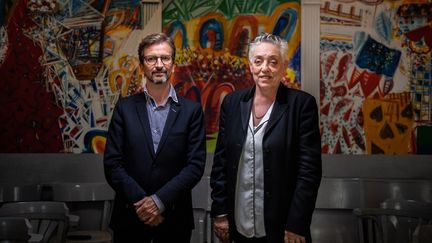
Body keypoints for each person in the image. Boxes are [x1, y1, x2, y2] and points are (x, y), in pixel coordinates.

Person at [210, 33, 322, 243]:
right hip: (239, 224)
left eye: (273, 62)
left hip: (283, 228)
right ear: (250, 65)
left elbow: (309, 172)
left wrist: (297, 224)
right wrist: (220, 212)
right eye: (258, 61)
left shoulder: (302, 105)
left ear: (283, 66)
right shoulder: (232, 104)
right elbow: (221, 163)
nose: (265, 68)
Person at [103, 33, 206, 243]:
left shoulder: (192, 111)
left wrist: (159, 202)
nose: (159, 65)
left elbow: (194, 166)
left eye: (165, 58)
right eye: (151, 59)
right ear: (142, 66)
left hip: (174, 219)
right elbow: (113, 164)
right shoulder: (124, 109)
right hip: (130, 217)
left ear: (173, 65)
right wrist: (143, 203)